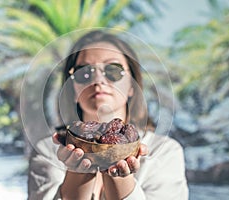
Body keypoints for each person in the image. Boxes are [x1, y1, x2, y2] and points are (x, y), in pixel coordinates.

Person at [27, 30, 189, 200]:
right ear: (72, 88)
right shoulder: (48, 151)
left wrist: (120, 175)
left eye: (113, 70)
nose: (98, 80)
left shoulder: (164, 152)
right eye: (84, 72)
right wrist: (78, 172)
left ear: (132, 84)